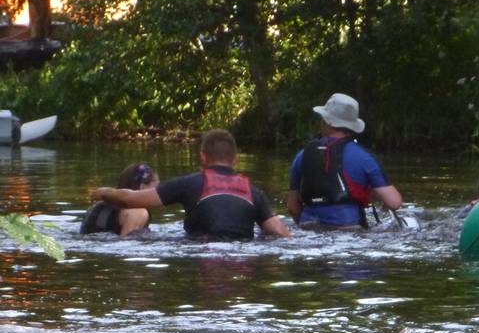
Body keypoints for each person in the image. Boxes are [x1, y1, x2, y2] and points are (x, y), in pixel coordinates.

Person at [90, 130, 291, 241]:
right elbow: (281, 233)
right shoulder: (254, 192)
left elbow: (130, 198)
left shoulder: (190, 183)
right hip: (242, 255)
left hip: (200, 249)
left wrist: (101, 192)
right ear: (235, 160)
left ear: (203, 157)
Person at [287, 93, 402, 229]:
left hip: (308, 228)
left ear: (327, 121)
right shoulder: (364, 158)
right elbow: (394, 202)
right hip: (349, 229)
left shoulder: (302, 155)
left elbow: (292, 207)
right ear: (352, 126)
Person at [80, 162, 160, 236]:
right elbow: (127, 245)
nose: (159, 192)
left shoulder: (100, 204)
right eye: (157, 187)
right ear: (142, 187)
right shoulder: (139, 212)